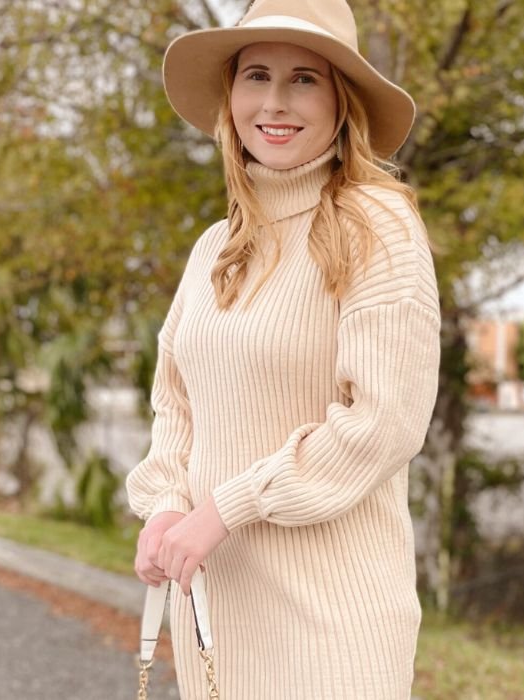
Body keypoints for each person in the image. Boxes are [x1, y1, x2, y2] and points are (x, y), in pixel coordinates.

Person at [124, 0, 440, 697]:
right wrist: (168, 506)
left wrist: (223, 510)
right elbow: (175, 403)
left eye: (304, 79)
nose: (274, 101)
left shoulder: (376, 224)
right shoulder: (215, 245)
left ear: (340, 101)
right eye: (256, 75)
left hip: (334, 621)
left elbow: (382, 423)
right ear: (230, 95)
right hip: (216, 609)